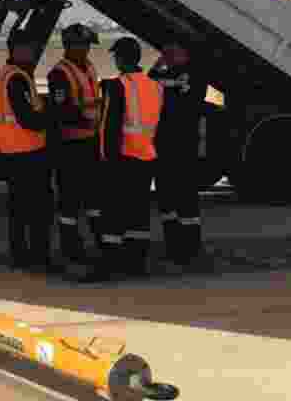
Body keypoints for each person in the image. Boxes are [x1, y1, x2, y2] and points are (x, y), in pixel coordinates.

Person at [79, 37, 162, 283]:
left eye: (116, 57)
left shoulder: (117, 86)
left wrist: (105, 160)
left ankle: (108, 265)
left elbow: (109, 128)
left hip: (122, 158)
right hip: (146, 156)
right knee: (138, 212)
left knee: (113, 214)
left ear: (121, 59)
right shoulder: (155, 86)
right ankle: (136, 263)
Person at [0, 29, 54, 272]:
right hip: (27, 152)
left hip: (15, 151)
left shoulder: (10, 75)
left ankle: (21, 256)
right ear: (17, 49)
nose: (32, 52)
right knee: (37, 208)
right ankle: (38, 258)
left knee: (20, 208)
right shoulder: (16, 78)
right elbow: (28, 118)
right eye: (28, 48)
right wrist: (51, 118)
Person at [148, 41, 211, 269]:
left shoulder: (193, 74)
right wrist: (161, 64)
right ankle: (175, 247)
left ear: (185, 53)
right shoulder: (174, 73)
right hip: (165, 146)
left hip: (182, 147)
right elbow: (150, 82)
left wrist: (161, 69)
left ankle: (189, 249)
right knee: (167, 199)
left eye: (173, 52)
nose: (169, 56)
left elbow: (156, 84)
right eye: (167, 53)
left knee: (185, 200)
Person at [47, 23, 101, 265]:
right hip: (70, 145)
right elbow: (63, 110)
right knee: (69, 201)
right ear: (70, 46)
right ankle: (71, 248)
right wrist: (88, 122)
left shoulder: (88, 67)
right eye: (83, 46)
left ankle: (99, 240)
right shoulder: (59, 73)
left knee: (92, 197)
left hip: (89, 141)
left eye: (88, 46)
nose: (87, 51)